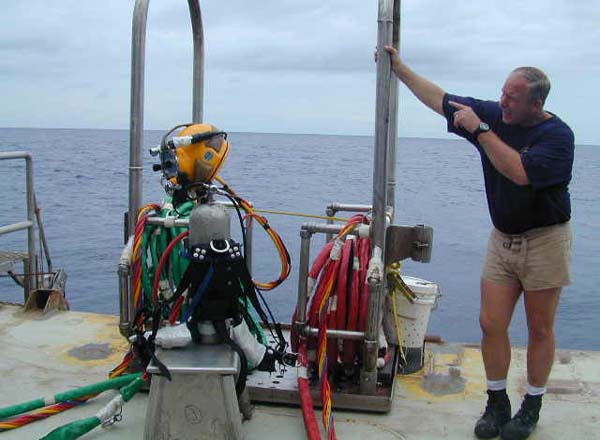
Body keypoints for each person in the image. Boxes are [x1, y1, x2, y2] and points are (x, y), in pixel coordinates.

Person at [381, 45, 574, 440]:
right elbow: (438, 98)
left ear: (535, 104)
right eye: (502, 93)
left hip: (546, 241)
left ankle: (531, 404)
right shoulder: (494, 113)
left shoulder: (557, 137)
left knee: (539, 328)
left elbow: (518, 172)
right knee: (490, 324)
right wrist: (400, 68)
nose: (502, 102)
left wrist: (481, 131)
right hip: (502, 240)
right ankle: (497, 401)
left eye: (512, 98)